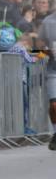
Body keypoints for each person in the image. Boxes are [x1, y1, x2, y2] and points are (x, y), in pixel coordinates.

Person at [38, 10, 56, 150]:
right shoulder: (48, 21)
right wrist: (46, 51)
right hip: (53, 70)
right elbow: (39, 44)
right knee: (54, 105)